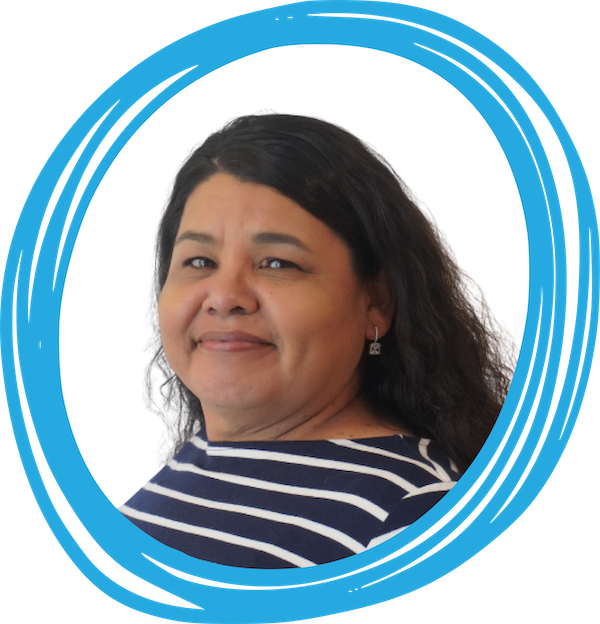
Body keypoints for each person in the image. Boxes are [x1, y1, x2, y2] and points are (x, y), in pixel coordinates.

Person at [120, 113, 513, 568]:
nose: (224, 297)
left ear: (376, 303)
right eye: (200, 261)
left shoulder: (418, 518)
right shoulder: (197, 460)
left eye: (278, 263)